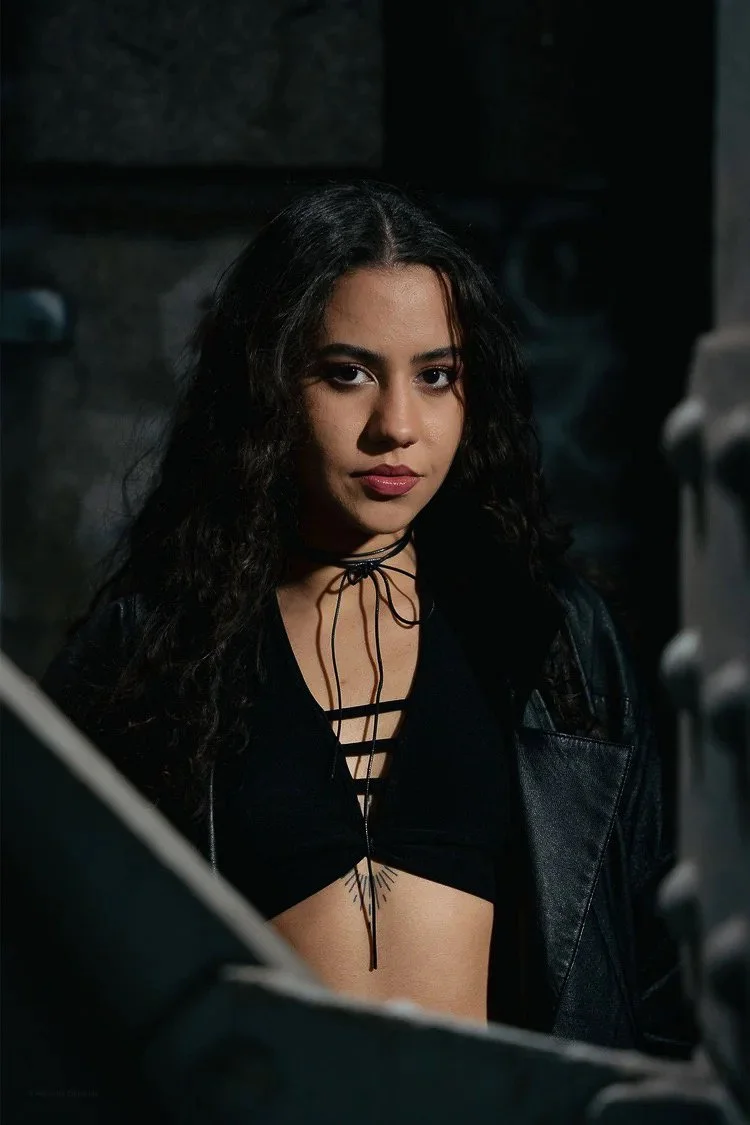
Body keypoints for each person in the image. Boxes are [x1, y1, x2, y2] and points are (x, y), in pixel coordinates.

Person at [41, 181, 696, 1055]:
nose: (397, 426)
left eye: (436, 376)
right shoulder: (154, 648)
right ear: (269, 384)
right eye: (347, 373)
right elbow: (51, 982)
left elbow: (660, 976)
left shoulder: (554, 640)